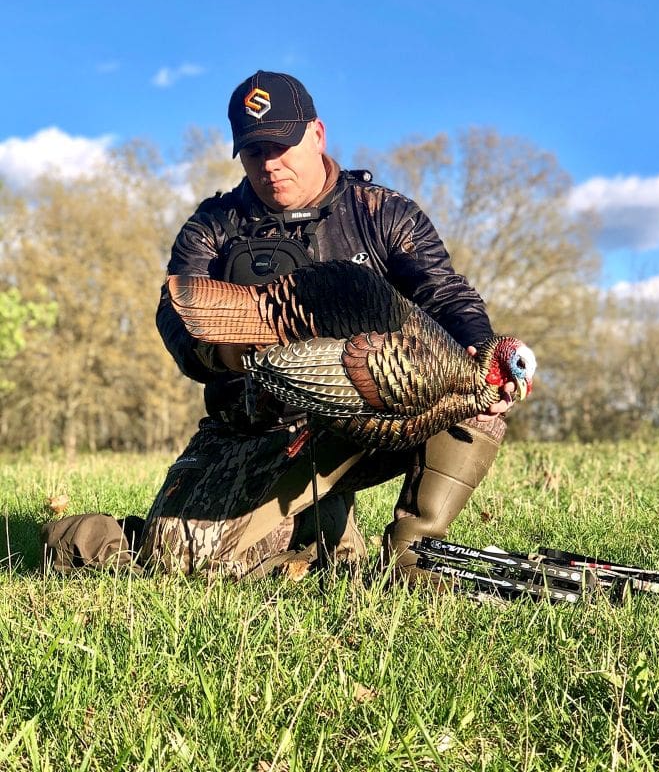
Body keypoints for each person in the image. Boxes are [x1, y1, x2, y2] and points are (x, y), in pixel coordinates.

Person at [138, 70, 514, 582]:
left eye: (282, 146)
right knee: (180, 561)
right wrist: (231, 353)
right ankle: (319, 535)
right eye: (254, 152)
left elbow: (444, 293)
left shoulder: (382, 214)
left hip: (366, 416)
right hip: (257, 431)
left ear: (317, 134)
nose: (270, 164)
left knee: (475, 387)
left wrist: (478, 347)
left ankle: (412, 554)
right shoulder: (213, 227)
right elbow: (176, 317)